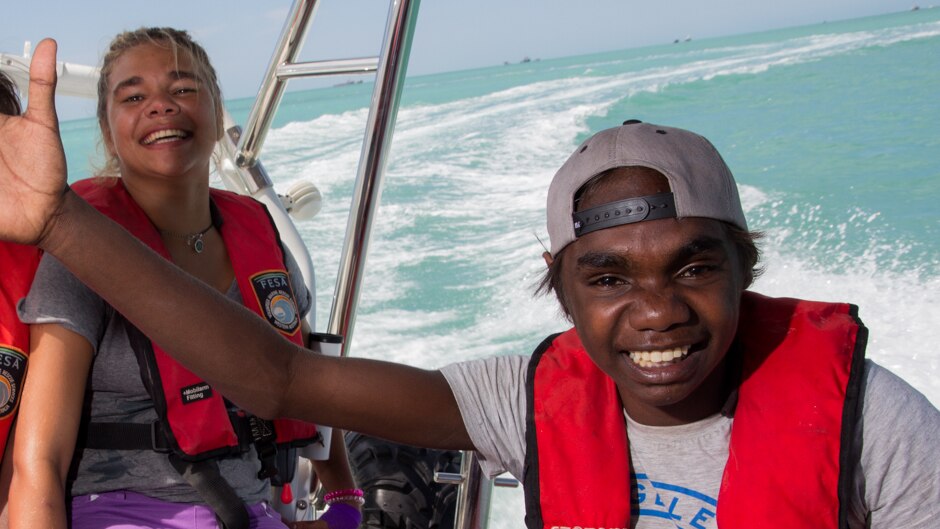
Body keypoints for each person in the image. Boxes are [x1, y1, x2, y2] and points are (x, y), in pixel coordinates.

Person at [1, 39, 938, 529]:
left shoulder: (876, 424)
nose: (656, 310)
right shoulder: (520, 398)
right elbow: (280, 380)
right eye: (607, 276)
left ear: (748, 266)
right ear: (560, 290)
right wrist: (59, 223)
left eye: (695, 266)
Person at [5, 31, 360, 529]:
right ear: (109, 131)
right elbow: (38, 463)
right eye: (133, 97)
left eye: (183, 89)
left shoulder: (261, 236)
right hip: (119, 512)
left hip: (254, 512)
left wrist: (345, 502)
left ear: (217, 111)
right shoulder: (81, 251)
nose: (161, 107)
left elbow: (307, 380)